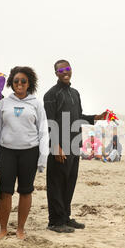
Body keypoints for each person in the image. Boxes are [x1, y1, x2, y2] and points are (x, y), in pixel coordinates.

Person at [43, 59, 107, 233]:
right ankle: (55, 221)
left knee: (69, 183)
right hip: (59, 146)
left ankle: (65, 217)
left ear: (71, 70)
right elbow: (49, 123)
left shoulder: (75, 93)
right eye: (61, 70)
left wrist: (96, 117)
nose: (65, 72)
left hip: (74, 144)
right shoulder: (51, 94)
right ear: (56, 73)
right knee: (56, 184)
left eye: (67, 69)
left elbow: (78, 117)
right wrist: (55, 146)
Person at [0, 66, 49, 240]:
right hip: (7, 152)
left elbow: (43, 131)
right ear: (11, 83)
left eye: (23, 81)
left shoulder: (36, 104)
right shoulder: (3, 104)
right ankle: (3, 229)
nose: (19, 84)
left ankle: (20, 229)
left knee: (25, 191)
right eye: (16, 81)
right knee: (5, 192)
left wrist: (42, 157)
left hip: (29, 153)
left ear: (29, 83)